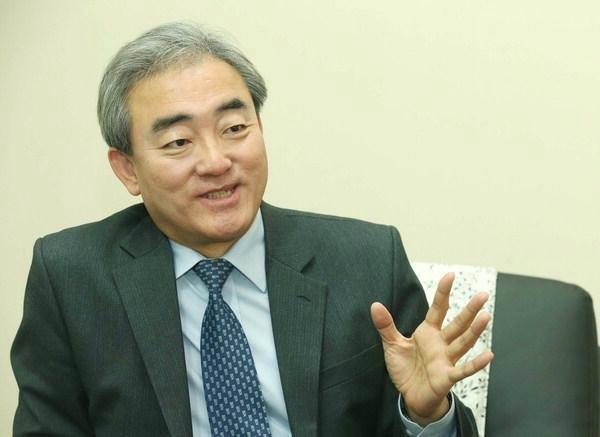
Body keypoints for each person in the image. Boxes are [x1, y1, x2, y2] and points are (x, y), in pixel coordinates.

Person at [11, 22, 493, 437]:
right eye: (178, 141)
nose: (216, 161)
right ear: (127, 169)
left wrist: (426, 414)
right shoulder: (71, 277)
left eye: (234, 128)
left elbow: (421, 408)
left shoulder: (367, 259)